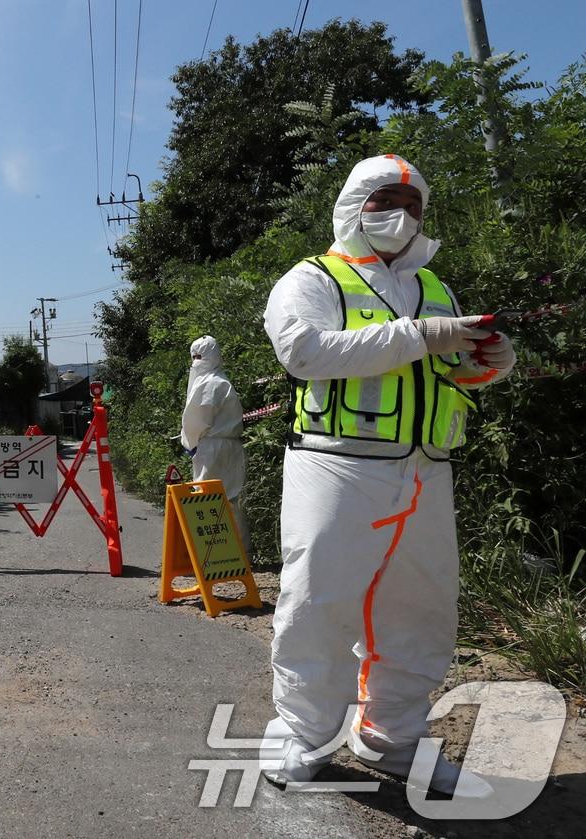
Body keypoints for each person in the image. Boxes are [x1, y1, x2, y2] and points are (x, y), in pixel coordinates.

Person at [260, 155, 514, 795]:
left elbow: (446, 373)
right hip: (337, 464)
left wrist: (489, 362)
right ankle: (302, 733)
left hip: (427, 468)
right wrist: (422, 336)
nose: (401, 214)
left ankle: (392, 736)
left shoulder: (434, 287)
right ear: (353, 205)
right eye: (384, 199)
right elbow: (304, 352)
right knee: (318, 603)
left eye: (413, 202)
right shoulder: (313, 278)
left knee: (421, 610)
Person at [179, 335, 250, 557]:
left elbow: (199, 419)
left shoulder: (209, 384)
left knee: (206, 497)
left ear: (211, 356)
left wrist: (189, 441)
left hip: (212, 447)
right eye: (194, 357)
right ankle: (240, 551)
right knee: (230, 498)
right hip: (230, 446)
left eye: (200, 356)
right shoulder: (221, 380)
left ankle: (213, 553)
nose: (196, 361)